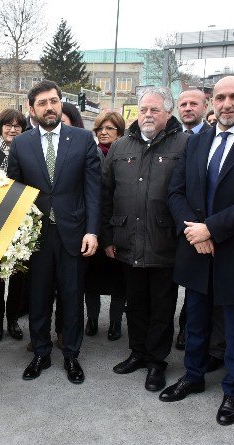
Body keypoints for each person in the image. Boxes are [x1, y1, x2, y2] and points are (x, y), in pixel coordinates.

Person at [160, 76, 234, 426]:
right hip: (197, 248)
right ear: (211, 102)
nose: (226, 103)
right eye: (220, 97)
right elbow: (176, 193)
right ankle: (193, 376)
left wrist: (212, 229)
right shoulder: (195, 144)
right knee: (195, 320)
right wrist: (196, 233)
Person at [7, 80, 101, 384]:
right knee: (38, 295)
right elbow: (14, 191)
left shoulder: (84, 139)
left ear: (61, 103)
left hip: (74, 233)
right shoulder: (21, 144)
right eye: (43, 103)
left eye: (54, 101)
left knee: (73, 296)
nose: (50, 107)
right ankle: (41, 353)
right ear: (32, 109)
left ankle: (71, 355)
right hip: (36, 236)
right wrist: (15, 235)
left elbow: (93, 190)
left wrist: (92, 231)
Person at [102, 87, 187, 392]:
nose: (148, 115)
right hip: (127, 241)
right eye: (143, 110)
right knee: (135, 303)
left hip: (165, 243)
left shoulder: (185, 144)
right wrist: (108, 236)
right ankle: (137, 353)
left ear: (169, 111)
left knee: (162, 307)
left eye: (155, 110)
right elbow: (105, 193)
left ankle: (157, 362)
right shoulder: (121, 146)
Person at [174, 89, 212, 350]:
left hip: (209, 231)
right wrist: (189, 228)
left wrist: (206, 230)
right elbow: (175, 189)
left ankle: (188, 331)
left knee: (198, 294)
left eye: (193, 104)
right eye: (183, 104)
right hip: (181, 225)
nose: (188, 108)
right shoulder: (173, 138)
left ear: (205, 106)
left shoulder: (212, 138)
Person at [0, 108, 28, 342]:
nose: (13, 129)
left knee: (18, 276)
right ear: (0, 128)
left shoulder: (28, 150)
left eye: (17, 126)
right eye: (8, 125)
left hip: (21, 220)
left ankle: (13, 320)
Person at [85, 111, 127, 341]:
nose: (103, 132)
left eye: (110, 128)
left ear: (120, 132)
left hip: (118, 228)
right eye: (100, 128)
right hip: (93, 227)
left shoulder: (126, 155)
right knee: (91, 280)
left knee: (119, 281)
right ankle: (92, 320)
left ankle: (115, 322)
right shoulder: (90, 154)